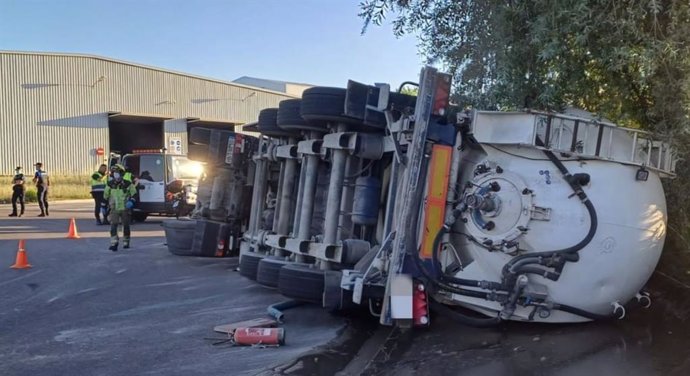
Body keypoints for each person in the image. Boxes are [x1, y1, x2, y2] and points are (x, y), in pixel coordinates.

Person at [103, 165, 137, 251]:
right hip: (114, 209)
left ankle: (126, 241)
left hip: (125, 208)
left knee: (126, 226)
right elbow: (105, 196)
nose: (116, 174)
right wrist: (103, 206)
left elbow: (134, 194)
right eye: (114, 173)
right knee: (113, 225)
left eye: (117, 173)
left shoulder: (128, 184)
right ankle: (114, 243)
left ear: (121, 174)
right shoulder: (110, 184)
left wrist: (131, 201)